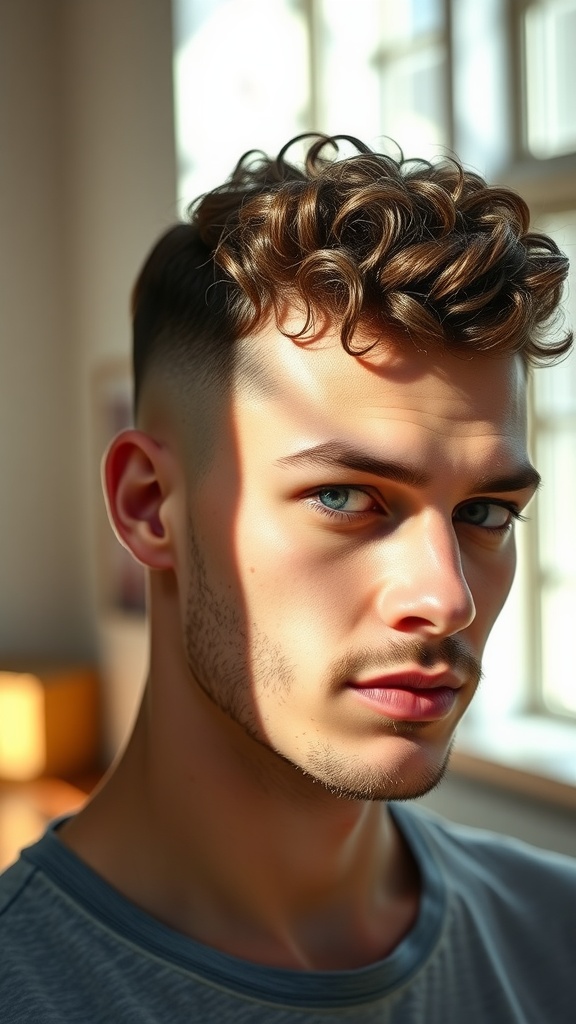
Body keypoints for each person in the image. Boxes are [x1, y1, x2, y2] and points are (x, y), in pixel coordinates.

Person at [1, 134, 575, 1022]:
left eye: (486, 513)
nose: (447, 597)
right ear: (151, 506)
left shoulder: (557, 936)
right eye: (347, 497)